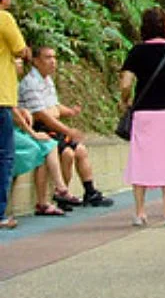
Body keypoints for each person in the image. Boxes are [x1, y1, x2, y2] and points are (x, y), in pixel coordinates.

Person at [120, 7, 165, 227]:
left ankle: (140, 212)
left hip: (144, 111)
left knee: (141, 159)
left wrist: (126, 100)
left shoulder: (137, 52)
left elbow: (125, 83)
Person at [17, 44, 113, 208]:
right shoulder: (31, 83)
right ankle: (61, 194)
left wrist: (69, 111)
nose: (53, 62)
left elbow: (54, 107)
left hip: (51, 126)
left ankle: (90, 192)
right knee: (67, 153)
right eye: (48, 58)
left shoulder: (47, 80)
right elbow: (42, 115)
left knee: (81, 150)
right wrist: (67, 129)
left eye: (54, 58)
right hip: (40, 127)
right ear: (36, 61)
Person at [11, 107, 81, 216]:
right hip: (10, 129)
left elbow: (15, 109)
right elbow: (12, 110)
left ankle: (60, 188)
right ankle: (56, 193)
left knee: (49, 144)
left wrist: (23, 111)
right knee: (36, 149)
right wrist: (32, 133)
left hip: (17, 128)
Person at [1, 0, 30, 229]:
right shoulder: (4, 18)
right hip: (1, 97)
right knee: (5, 155)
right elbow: (22, 50)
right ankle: (0, 212)